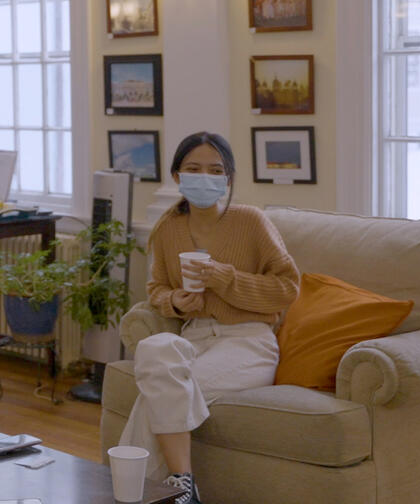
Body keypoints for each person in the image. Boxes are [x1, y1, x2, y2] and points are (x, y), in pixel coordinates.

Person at [118, 133, 300, 504]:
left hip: (249, 340)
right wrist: (177, 302)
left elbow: (287, 288)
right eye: (194, 169)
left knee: (160, 391)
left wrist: (223, 276)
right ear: (177, 176)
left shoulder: (251, 221)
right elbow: (156, 290)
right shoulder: (168, 228)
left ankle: (146, 490)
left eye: (216, 170)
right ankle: (178, 488)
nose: (205, 177)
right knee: (155, 350)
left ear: (228, 179)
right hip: (194, 336)